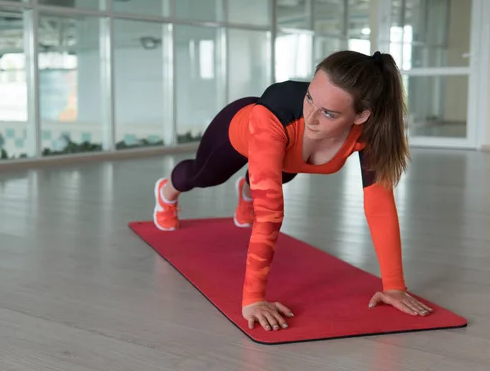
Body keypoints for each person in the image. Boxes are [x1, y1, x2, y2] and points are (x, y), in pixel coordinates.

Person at [152, 50, 433, 332]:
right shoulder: (274, 114)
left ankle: (248, 191)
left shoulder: (371, 134)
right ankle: (167, 192)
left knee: (280, 175)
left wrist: (394, 286)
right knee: (203, 176)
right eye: (310, 97)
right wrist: (253, 300)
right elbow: (271, 212)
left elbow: (380, 207)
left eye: (328, 113)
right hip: (241, 130)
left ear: (361, 116)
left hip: (283, 153)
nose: (311, 118)